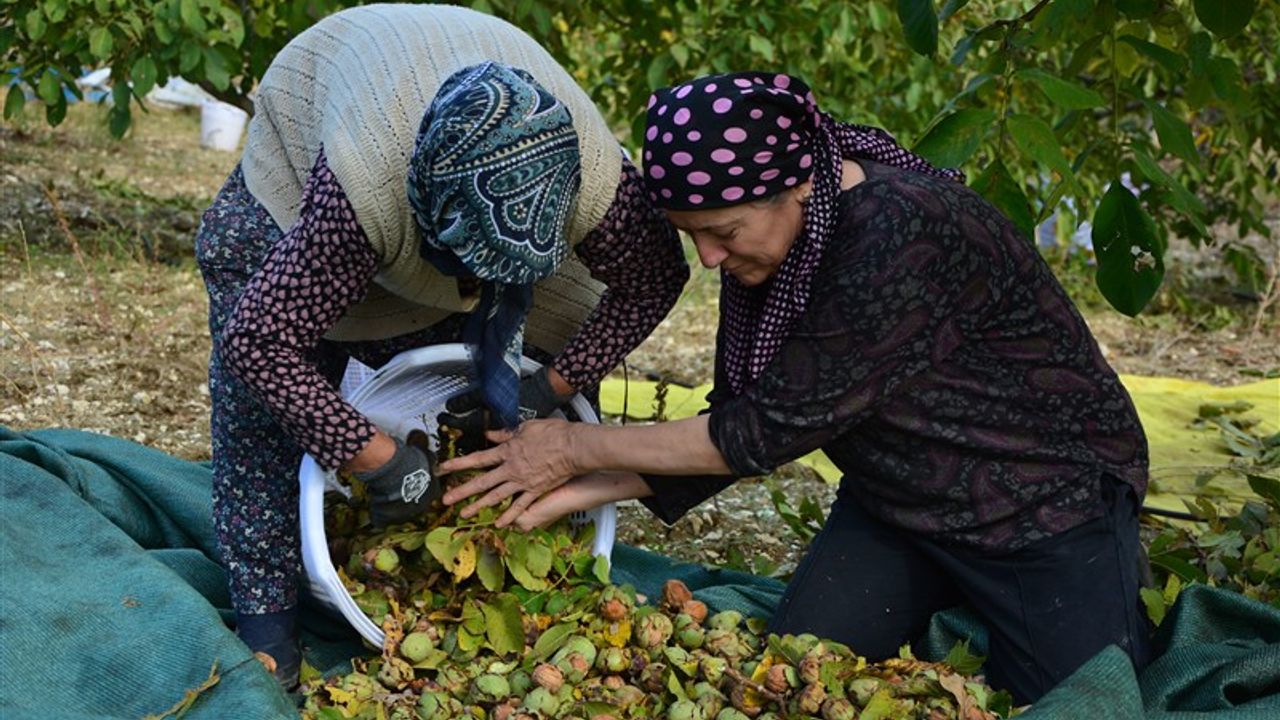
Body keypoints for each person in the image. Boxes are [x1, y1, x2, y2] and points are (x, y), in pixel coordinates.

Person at [440, 72, 1153, 704]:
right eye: (694, 238)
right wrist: (567, 492)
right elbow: (741, 416)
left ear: (798, 184)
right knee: (802, 666)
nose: (710, 259)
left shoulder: (898, 235)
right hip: (900, 499)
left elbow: (761, 432)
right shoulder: (783, 244)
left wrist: (573, 450)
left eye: (720, 232)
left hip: (1037, 501)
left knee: (1085, 697)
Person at [193, 5, 687, 688]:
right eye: (469, 270)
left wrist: (552, 388)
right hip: (313, 161)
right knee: (268, 419)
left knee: (511, 396)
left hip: (482, 197)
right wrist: (379, 460)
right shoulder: (358, 190)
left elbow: (656, 279)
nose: (472, 288)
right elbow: (261, 343)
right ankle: (269, 623)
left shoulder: (595, 185)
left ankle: (516, 555)